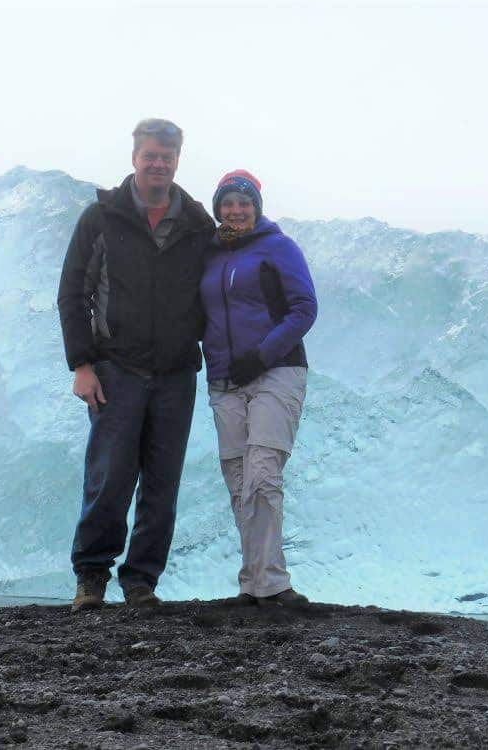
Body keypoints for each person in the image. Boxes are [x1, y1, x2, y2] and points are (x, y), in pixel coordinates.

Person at [57, 119, 215, 609]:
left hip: (174, 372)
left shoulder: (197, 224)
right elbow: (72, 295)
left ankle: (141, 581)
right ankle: (91, 577)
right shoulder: (102, 218)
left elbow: (215, 294)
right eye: (150, 155)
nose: (158, 164)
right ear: (134, 158)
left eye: (167, 157)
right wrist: (82, 365)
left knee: (162, 483)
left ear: (177, 161)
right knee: (109, 476)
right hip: (115, 369)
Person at [200, 170, 318, 606]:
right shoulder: (210, 256)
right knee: (238, 479)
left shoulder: (279, 247)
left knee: (263, 473)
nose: (236, 210)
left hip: (277, 372)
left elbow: (304, 308)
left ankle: (274, 582)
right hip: (225, 379)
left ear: (257, 207)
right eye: (228, 203)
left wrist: (263, 354)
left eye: (243, 203)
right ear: (218, 209)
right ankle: (253, 581)